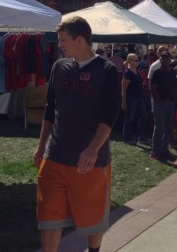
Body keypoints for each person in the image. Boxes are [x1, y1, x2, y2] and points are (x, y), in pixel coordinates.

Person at [33, 16, 121, 252]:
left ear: (80, 39)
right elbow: (50, 109)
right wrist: (41, 146)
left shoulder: (107, 70)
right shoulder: (59, 67)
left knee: (92, 219)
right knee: (49, 217)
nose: (59, 44)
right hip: (56, 154)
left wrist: (93, 149)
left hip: (90, 160)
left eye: (63, 40)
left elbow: (110, 115)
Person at [149, 51, 177, 161]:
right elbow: (152, 87)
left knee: (168, 127)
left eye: (167, 59)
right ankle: (155, 151)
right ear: (160, 60)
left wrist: (174, 95)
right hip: (159, 103)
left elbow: (175, 85)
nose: (165, 61)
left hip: (170, 102)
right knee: (159, 127)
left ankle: (164, 149)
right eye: (163, 59)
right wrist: (158, 99)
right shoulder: (157, 73)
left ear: (169, 60)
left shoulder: (172, 72)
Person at [121, 53, 149, 146]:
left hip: (139, 97)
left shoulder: (136, 70)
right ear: (130, 61)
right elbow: (123, 88)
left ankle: (142, 137)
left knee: (143, 116)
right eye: (136, 60)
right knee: (129, 117)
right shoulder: (128, 73)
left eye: (138, 60)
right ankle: (127, 138)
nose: (138, 62)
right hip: (131, 98)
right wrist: (124, 101)